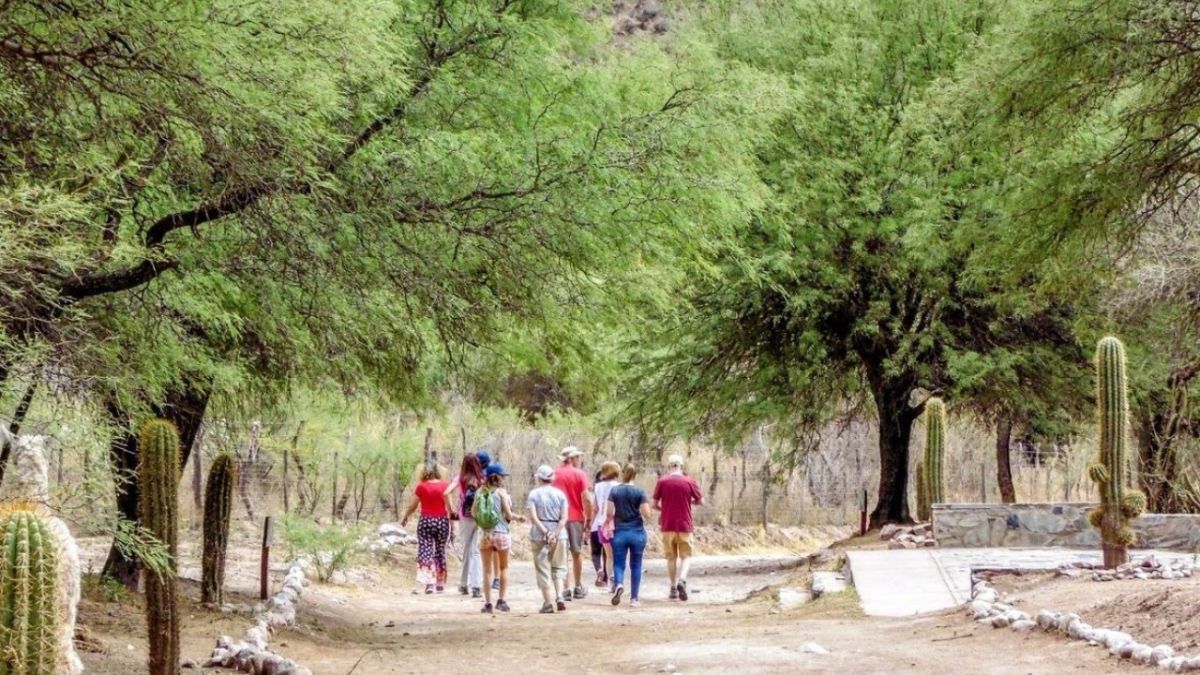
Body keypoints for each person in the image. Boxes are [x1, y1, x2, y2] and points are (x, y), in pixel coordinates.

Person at [473, 463, 524, 613]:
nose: (503, 479)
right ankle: (501, 601)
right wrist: (519, 517)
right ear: (498, 477)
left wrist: (483, 523)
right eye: (502, 476)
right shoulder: (501, 493)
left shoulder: (479, 492)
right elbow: (508, 515)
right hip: (501, 533)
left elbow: (473, 512)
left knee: (487, 570)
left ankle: (488, 604)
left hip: (485, 534)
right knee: (503, 568)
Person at [653, 453, 704, 601]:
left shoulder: (662, 482)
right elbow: (701, 501)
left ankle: (673, 587)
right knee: (686, 556)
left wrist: (665, 508)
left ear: (669, 466)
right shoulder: (689, 482)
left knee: (671, 558)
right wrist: (690, 503)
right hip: (685, 524)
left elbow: (653, 504)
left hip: (667, 524)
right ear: (681, 466)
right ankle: (683, 579)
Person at [400, 463, 453, 594]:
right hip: (442, 521)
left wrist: (405, 517)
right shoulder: (445, 486)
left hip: (425, 522)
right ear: (439, 472)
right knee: (440, 551)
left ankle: (429, 583)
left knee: (426, 550)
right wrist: (453, 522)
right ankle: (440, 582)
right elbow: (449, 506)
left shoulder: (421, 487)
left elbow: (412, 506)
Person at [606, 464, 652, 608]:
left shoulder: (615, 491)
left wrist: (610, 521)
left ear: (622, 473)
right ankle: (634, 599)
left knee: (619, 562)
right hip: (637, 532)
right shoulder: (640, 492)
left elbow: (608, 512)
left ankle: (619, 584)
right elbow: (647, 514)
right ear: (635, 475)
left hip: (619, 532)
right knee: (636, 565)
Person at [527, 465, 570, 613]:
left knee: (542, 568)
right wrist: (555, 533)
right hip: (560, 536)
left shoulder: (534, 494)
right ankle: (559, 596)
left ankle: (548, 602)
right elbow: (564, 518)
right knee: (559, 567)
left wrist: (546, 533)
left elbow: (534, 517)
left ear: (539, 478)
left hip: (539, 536)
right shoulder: (560, 495)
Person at [553, 446, 593, 600]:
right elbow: (587, 498)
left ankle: (565, 589)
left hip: (558, 520)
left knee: (561, 555)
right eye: (577, 457)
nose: (579, 460)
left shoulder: (554, 474)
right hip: (576, 517)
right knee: (576, 553)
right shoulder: (579, 474)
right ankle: (577, 586)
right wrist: (588, 518)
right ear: (572, 458)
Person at [445, 453, 485, 597]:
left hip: (465, 518)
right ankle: (476, 586)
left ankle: (463, 584)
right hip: (479, 518)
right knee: (475, 551)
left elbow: (446, 493)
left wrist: (451, 511)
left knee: (467, 551)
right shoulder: (482, 479)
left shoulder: (460, 478)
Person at [590, 462, 620, 588]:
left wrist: (590, 523)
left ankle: (610, 582)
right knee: (617, 554)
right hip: (615, 523)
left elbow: (595, 508)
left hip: (601, 523)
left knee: (608, 555)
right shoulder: (619, 486)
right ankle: (617, 581)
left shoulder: (598, 486)